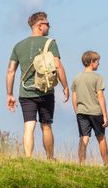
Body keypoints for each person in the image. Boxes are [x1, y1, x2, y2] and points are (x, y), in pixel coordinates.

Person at [6, 11, 69, 160]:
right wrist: (65, 86)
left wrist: (9, 94)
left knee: (29, 125)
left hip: (26, 92)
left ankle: (28, 158)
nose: (49, 26)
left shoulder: (18, 46)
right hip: (45, 91)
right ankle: (49, 158)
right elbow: (58, 65)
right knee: (46, 125)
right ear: (40, 26)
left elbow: (10, 71)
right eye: (47, 24)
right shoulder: (50, 43)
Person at [71, 50, 108, 166]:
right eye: (98, 61)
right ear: (92, 62)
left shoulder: (76, 78)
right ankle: (106, 163)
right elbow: (101, 96)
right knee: (101, 138)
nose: (99, 64)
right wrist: (105, 116)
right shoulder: (98, 78)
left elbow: (74, 97)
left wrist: (77, 111)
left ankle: (81, 163)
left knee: (84, 137)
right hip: (96, 112)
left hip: (81, 112)